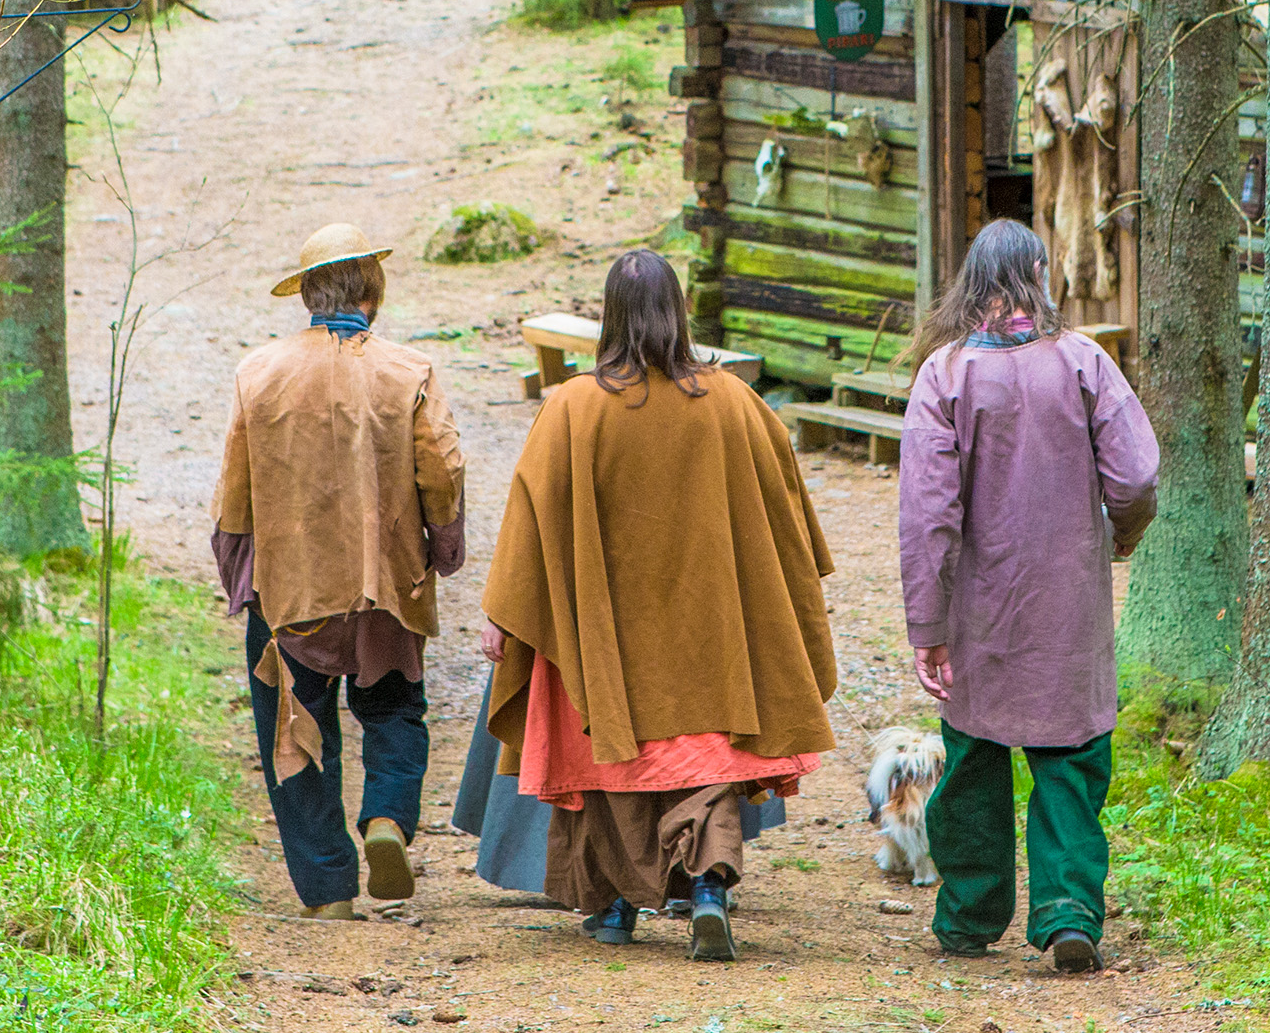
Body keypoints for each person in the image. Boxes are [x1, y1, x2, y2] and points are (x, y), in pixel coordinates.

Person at [477, 250, 838, 962]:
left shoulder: (573, 409)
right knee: (706, 757)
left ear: (608, 316)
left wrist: (502, 617)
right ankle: (706, 891)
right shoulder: (733, 402)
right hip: (713, 638)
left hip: (606, 644)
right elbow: (788, 517)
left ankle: (612, 910)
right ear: (678, 311)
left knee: (609, 762)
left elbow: (529, 522)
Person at [897, 219, 1160, 972]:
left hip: (976, 608)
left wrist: (928, 623)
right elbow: (1137, 475)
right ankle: (1069, 910)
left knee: (973, 757)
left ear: (970, 284)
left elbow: (927, 516)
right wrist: (1122, 532)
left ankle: (969, 917)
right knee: (1071, 759)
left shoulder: (944, 375)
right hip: (1068, 600)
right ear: (1041, 273)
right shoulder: (1083, 362)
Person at [214, 221, 468, 920]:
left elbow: (235, 489)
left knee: (294, 723)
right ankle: (386, 818)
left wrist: (238, 571)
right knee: (392, 710)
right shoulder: (409, 372)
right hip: (387, 585)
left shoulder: (258, 374)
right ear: (373, 291)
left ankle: (328, 891)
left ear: (307, 297)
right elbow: (442, 468)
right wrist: (443, 551)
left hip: (291, 592)